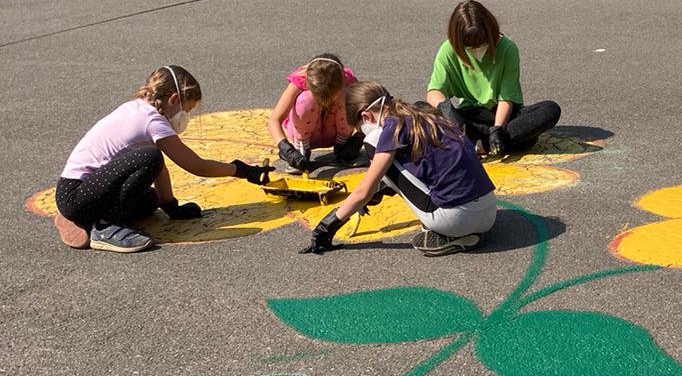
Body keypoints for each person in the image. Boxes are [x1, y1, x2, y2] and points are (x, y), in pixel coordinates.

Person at [54, 65, 270, 253]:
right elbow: (198, 166)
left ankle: (82, 219)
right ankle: (103, 227)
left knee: (150, 199)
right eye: (187, 109)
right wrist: (242, 170)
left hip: (79, 191)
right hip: (76, 194)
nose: (186, 116)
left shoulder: (136, 108)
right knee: (151, 156)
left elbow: (159, 169)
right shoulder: (152, 121)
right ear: (174, 99)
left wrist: (171, 206)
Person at [303, 82, 497, 257]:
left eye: (360, 128)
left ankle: (455, 236)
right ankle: (459, 227)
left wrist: (327, 227)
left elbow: (363, 191)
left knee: (375, 146)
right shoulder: (424, 114)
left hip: (457, 220)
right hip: (489, 212)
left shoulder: (390, 130)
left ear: (365, 116)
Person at [426, 0, 560, 158]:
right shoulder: (448, 50)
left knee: (550, 109)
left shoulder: (507, 48)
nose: (477, 49)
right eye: (470, 46)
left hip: (504, 115)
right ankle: (497, 142)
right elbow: (434, 91)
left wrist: (497, 129)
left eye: (482, 43)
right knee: (421, 110)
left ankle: (482, 144)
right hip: (471, 117)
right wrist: (448, 111)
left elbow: (506, 98)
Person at [267, 53, 362, 169]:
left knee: (347, 95)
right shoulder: (301, 79)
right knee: (306, 99)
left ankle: (342, 147)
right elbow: (274, 121)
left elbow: (367, 112)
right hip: (306, 134)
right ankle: (302, 150)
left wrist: (358, 139)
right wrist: (286, 149)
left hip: (335, 133)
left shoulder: (347, 80)